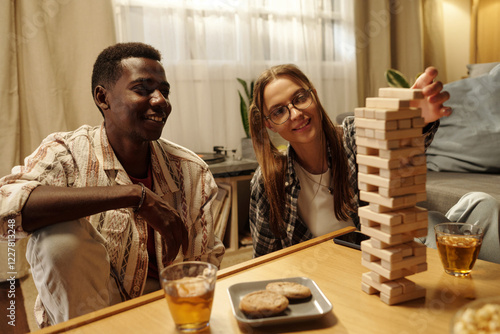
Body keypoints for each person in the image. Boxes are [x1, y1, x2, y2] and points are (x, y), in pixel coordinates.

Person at [0, 42, 225, 327]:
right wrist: (135, 195)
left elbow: (203, 265)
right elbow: (5, 211)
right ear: (102, 97)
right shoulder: (66, 153)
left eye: (164, 91)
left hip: (167, 311)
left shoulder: (191, 170)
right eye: (142, 90)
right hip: (90, 313)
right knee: (57, 240)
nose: (160, 101)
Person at [248, 64, 500, 264]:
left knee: (483, 204)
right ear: (269, 124)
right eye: (279, 111)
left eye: (300, 98)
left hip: (386, 250)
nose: (295, 114)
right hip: (335, 274)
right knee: (444, 239)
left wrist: (414, 119)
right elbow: (264, 260)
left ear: (313, 94)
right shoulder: (269, 180)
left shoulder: (352, 135)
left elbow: (391, 134)